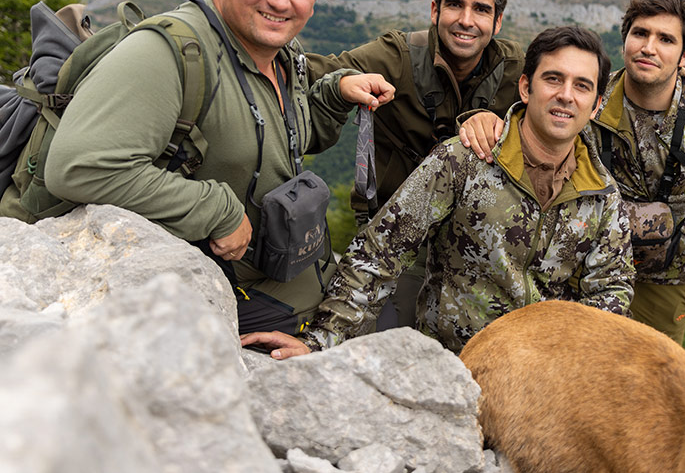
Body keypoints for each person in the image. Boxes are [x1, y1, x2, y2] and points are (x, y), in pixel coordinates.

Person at [0, 0, 394, 334]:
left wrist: (334, 94)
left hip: (279, 283)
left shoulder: (281, 57)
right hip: (191, 301)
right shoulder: (167, 53)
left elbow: (285, 140)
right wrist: (216, 208)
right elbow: (80, 166)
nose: (281, 0)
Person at [241, 25, 633, 358]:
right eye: (554, 79)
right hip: (449, 364)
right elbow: (381, 251)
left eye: (582, 86)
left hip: (536, 378)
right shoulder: (464, 161)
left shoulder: (602, 196)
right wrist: (318, 343)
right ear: (526, 88)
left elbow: (610, 293)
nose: (566, 95)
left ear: (596, 105)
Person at [461, 0, 685, 343]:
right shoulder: (585, 101)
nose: (648, 47)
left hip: (663, 284)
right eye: (640, 33)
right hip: (575, 273)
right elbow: (526, 124)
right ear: (625, 41)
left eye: (666, 39)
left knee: (651, 384)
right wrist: (480, 119)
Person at [306, 0, 525, 329]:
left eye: (481, 9)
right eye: (455, 4)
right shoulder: (397, 57)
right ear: (435, 10)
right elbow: (308, 72)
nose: (466, 20)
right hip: (396, 242)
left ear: (497, 21)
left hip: (479, 248)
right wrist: (343, 84)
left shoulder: (519, 73)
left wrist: (507, 123)